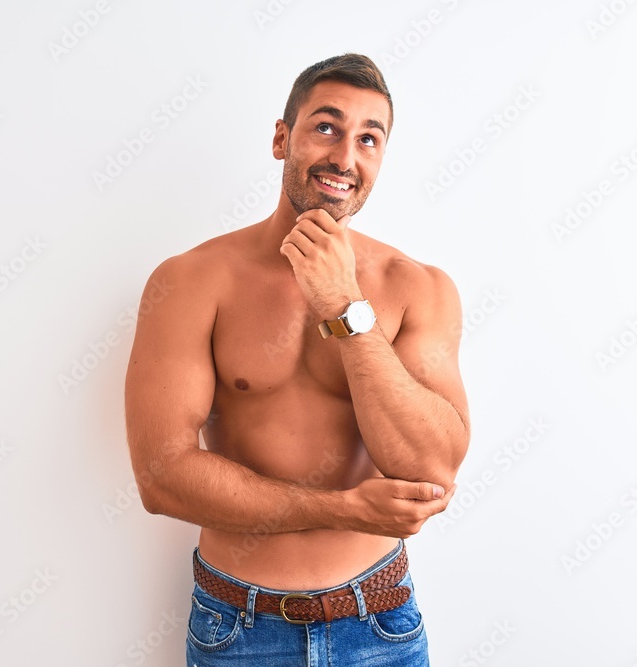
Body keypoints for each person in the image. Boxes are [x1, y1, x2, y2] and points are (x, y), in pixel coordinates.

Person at [124, 53, 470, 666]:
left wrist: (347, 308)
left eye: (369, 138)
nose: (345, 157)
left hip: (380, 626)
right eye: (327, 127)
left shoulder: (418, 288)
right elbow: (160, 475)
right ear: (283, 137)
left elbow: (430, 468)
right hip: (237, 630)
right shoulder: (191, 282)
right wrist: (339, 508)